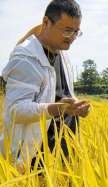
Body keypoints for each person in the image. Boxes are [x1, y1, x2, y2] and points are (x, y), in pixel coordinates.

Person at [1, 0, 90, 168]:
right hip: (35, 159)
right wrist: (58, 108)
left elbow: (62, 95)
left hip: (64, 154)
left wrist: (77, 107)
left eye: (76, 32)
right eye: (67, 31)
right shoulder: (25, 58)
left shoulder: (63, 55)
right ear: (46, 22)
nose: (72, 38)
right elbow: (15, 111)